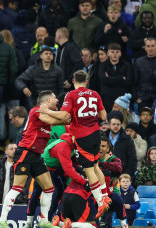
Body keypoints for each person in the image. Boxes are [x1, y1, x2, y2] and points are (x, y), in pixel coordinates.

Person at [38, 71, 109, 218]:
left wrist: (47, 111)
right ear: (87, 81)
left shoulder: (71, 95)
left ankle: (101, 202)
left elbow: (64, 115)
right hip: (96, 133)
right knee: (96, 166)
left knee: (89, 170)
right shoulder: (95, 94)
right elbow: (103, 116)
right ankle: (105, 195)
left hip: (83, 136)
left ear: (73, 81)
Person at [0, 90, 68, 228]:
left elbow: (63, 119)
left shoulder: (45, 112)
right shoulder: (36, 111)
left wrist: (64, 116)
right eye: (54, 98)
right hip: (25, 152)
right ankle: (2, 220)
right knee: (17, 188)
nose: (57, 101)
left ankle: (44, 221)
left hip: (36, 155)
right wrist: (64, 116)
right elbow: (59, 119)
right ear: (47, 101)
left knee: (49, 188)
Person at [96, 43, 133, 112]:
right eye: (112, 52)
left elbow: (128, 81)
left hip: (122, 99)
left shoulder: (126, 65)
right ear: (108, 53)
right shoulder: (102, 66)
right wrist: (121, 78)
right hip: (107, 99)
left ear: (120, 53)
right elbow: (104, 80)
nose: (115, 54)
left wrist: (110, 79)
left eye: (117, 52)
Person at [133, 37, 156, 110]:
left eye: (153, 46)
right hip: (143, 98)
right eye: (148, 46)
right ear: (145, 48)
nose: (150, 48)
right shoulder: (138, 62)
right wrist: (136, 98)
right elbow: (134, 81)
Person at [106, 111, 137, 177]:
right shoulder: (103, 137)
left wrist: (126, 175)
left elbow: (132, 159)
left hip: (122, 175)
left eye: (118, 124)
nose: (116, 126)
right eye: (113, 124)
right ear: (109, 125)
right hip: (105, 174)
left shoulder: (127, 139)